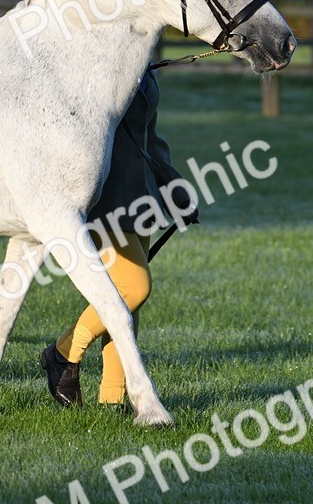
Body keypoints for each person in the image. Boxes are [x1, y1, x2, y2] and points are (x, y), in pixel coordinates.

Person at [39, 67, 197, 408]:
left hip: (140, 195)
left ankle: (112, 398)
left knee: (127, 301)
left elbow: (149, 140)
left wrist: (174, 187)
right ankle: (64, 352)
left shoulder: (144, 70)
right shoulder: (99, 68)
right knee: (134, 287)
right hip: (106, 197)